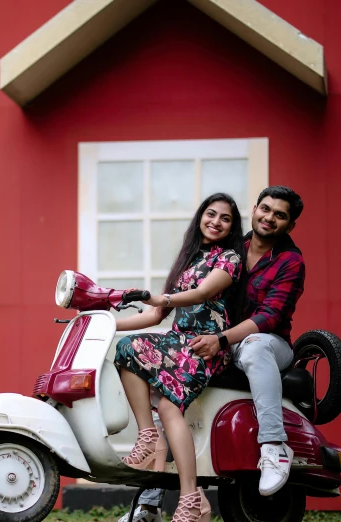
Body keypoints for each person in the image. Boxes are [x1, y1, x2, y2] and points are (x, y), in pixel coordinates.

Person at [119, 186, 306, 522]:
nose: (269, 217)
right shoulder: (233, 247)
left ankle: (274, 447)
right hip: (214, 340)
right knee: (154, 386)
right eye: (265, 209)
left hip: (266, 340)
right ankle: (154, 499)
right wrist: (108, 321)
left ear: (289, 225)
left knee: (254, 347)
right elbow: (175, 305)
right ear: (255, 209)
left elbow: (268, 318)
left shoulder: (289, 261)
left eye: (280, 215)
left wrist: (219, 339)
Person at [114, 193, 245, 522]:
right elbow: (155, 314)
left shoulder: (229, 258)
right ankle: (148, 437)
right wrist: (105, 323)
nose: (215, 221)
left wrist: (163, 296)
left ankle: (190, 500)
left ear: (232, 227)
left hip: (205, 345)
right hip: (176, 343)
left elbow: (201, 294)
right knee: (126, 349)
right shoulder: (188, 260)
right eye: (210, 214)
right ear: (200, 217)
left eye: (224, 218)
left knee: (169, 404)